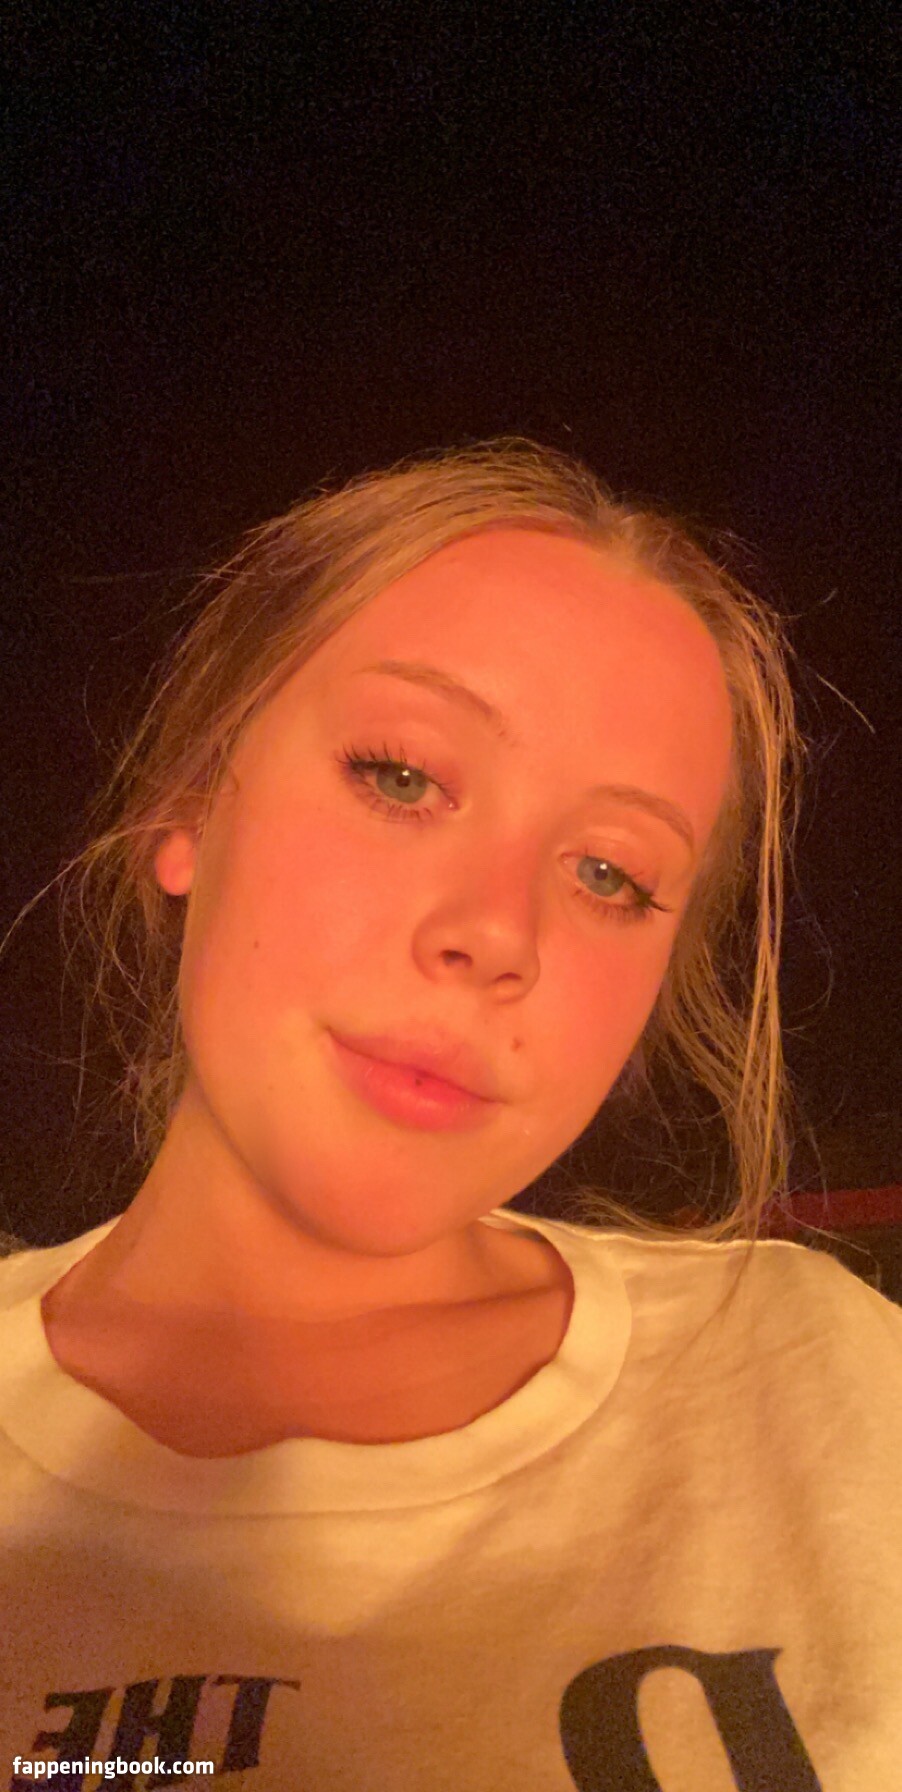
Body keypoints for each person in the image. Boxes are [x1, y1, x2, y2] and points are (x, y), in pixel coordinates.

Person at [1, 438, 899, 1787]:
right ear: (187, 807)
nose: (498, 933)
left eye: (608, 873)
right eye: (402, 777)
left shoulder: (825, 1384)